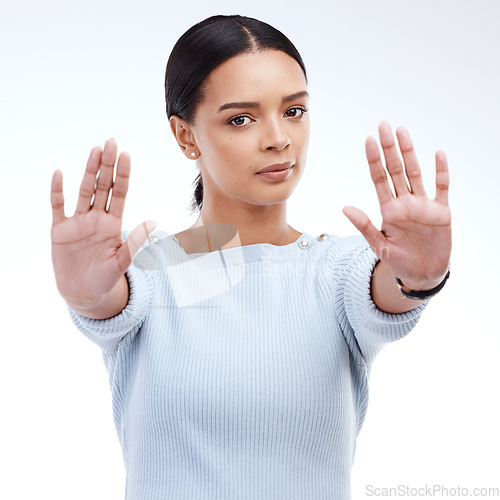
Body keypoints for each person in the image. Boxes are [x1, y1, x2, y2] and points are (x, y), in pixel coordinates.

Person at [50, 14, 452, 500]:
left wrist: (419, 278)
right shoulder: (147, 271)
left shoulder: (340, 270)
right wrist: (88, 296)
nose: (278, 138)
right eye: (241, 118)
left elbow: (389, 290)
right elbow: (111, 299)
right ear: (186, 136)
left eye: (294, 111)